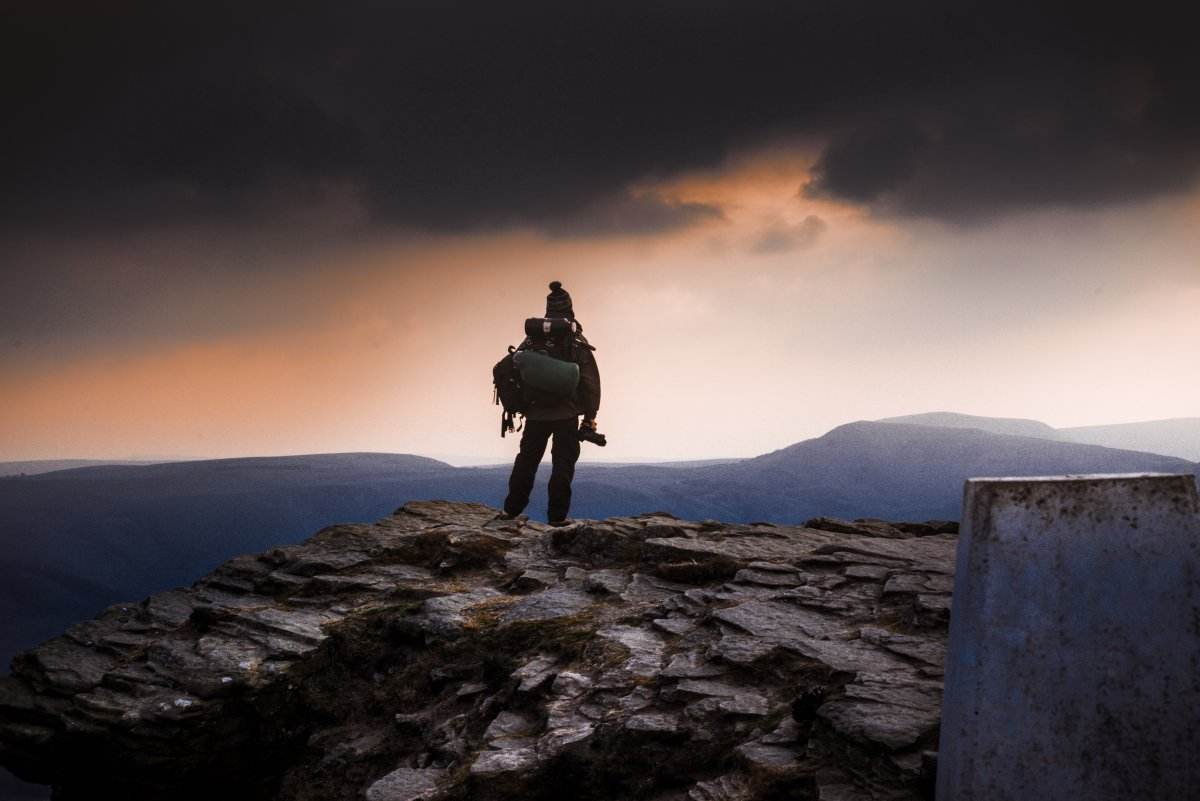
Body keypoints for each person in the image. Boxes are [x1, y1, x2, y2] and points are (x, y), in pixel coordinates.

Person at [500, 281, 601, 525]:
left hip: (535, 414)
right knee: (562, 466)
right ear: (570, 310)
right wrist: (590, 416)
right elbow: (590, 383)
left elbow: (516, 370)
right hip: (566, 415)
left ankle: (510, 511)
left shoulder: (532, 340)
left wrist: (522, 405)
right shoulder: (576, 342)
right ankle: (557, 518)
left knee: (526, 461)